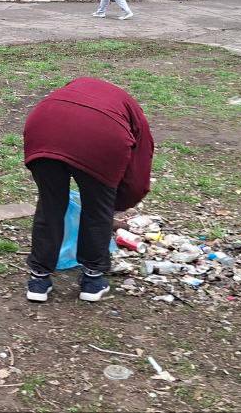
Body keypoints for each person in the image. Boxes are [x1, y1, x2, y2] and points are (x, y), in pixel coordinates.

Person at [22, 78, 153, 303]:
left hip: (42, 129)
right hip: (101, 137)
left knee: (50, 205)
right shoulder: (131, 110)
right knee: (96, 210)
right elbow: (139, 172)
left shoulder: (71, 90)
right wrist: (115, 203)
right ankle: (92, 281)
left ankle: (39, 280)